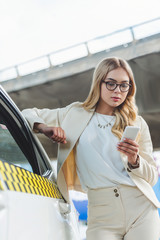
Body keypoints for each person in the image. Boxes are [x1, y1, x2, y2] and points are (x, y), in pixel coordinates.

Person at [22, 57, 160, 240]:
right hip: (101, 212)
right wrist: (44, 128)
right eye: (111, 84)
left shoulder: (137, 123)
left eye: (124, 85)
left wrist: (135, 160)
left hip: (141, 209)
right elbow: (26, 114)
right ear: (99, 82)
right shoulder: (73, 113)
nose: (117, 91)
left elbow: (150, 178)